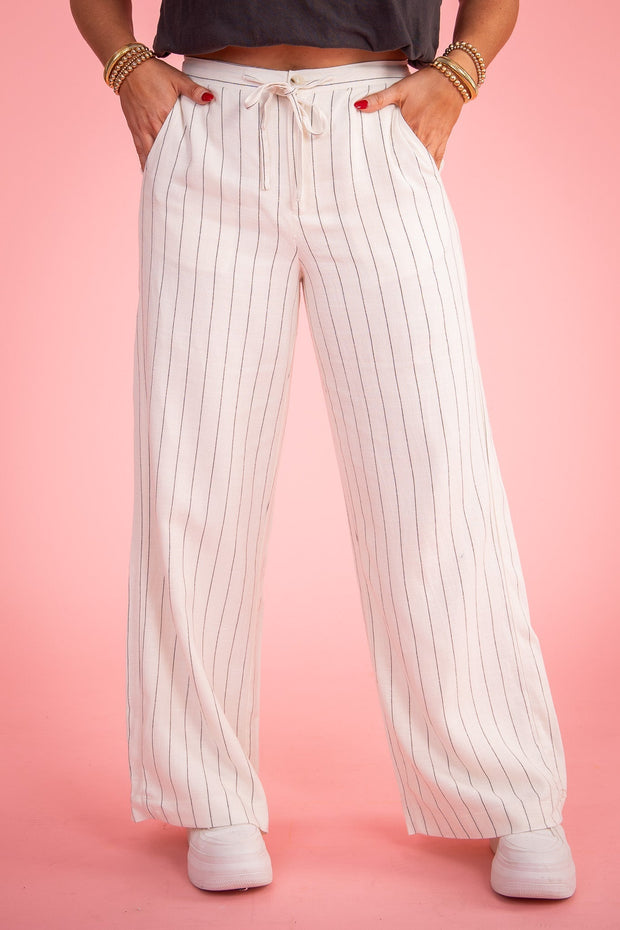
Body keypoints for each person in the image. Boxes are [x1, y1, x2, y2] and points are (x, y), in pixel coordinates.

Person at [70, 0, 576, 900]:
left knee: (436, 469)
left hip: (376, 125)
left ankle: (508, 784)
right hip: (212, 126)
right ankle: (212, 793)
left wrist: (459, 74)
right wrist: (125, 65)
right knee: (196, 475)